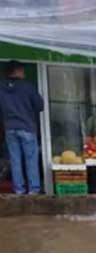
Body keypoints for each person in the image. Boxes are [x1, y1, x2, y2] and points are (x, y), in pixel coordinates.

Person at [0, 60, 44, 194]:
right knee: (31, 159)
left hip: (9, 128)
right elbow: (40, 105)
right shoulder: (27, 87)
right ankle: (33, 190)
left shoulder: (1, 87)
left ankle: (19, 190)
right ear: (16, 71)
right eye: (22, 70)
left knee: (15, 160)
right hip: (27, 127)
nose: (23, 72)